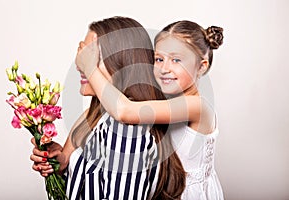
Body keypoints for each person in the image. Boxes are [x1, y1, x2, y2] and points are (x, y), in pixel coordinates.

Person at [30, 16, 186, 200]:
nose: (80, 65)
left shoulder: (126, 130)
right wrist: (62, 163)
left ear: (122, 64)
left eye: (90, 57)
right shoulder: (95, 114)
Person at [76, 20, 224, 199]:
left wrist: (90, 67)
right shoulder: (163, 99)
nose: (164, 69)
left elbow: (125, 111)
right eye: (159, 59)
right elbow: (108, 111)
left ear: (201, 66)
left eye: (176, 60)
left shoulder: (197, 106)